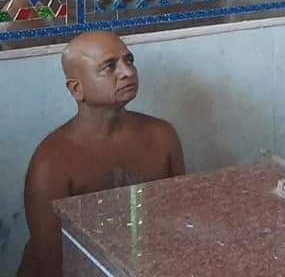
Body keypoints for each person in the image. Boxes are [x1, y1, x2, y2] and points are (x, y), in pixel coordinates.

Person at [18, 32, 185, 277]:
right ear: (77, 89)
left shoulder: (162, 136)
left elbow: (178, 222)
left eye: (129, 61)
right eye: (109, 66)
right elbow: (52, 260)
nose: (127, 72)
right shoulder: (52, 162)